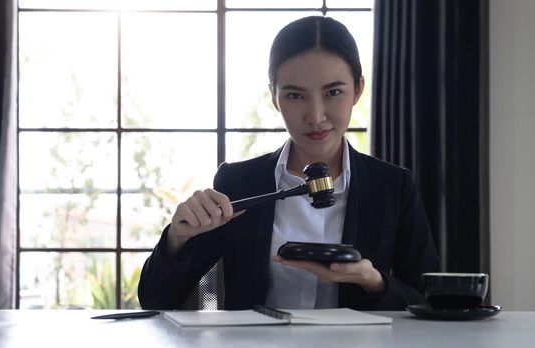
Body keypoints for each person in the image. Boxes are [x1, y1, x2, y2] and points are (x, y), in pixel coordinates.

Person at [138, 16, 439, 311]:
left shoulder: (393, 186)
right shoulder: (237, 183)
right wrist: (177, 238)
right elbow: (156, 300)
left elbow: (427, 301)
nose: (316, 116)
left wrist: (372, 280)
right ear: (274, 97)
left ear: (358, 89)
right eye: (295, 96)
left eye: (333, 92)